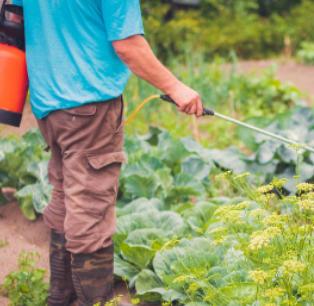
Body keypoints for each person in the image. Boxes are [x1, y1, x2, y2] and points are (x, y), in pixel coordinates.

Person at [10, 0, 203, 305]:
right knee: (91, 210)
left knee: (66, 198)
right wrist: (177, 88)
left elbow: (16, 19)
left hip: (49, 104)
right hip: (89, 105)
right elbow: (127, 46)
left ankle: (60, 299)